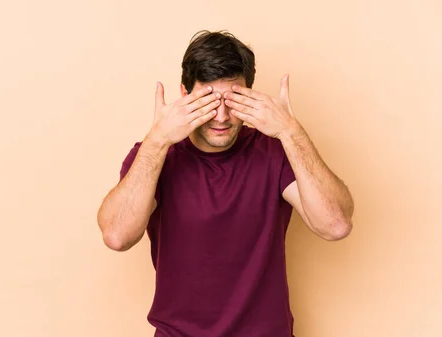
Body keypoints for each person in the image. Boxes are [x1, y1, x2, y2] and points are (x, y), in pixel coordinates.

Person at [96, 30, 354, 337]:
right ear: (184, 93)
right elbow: (117, 236)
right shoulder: (154, 155)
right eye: (208, 100)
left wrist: (291, 132)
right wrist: (157, 141)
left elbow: (335, 225)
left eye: (232, 100)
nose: (221, 117)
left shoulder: (275, 151)